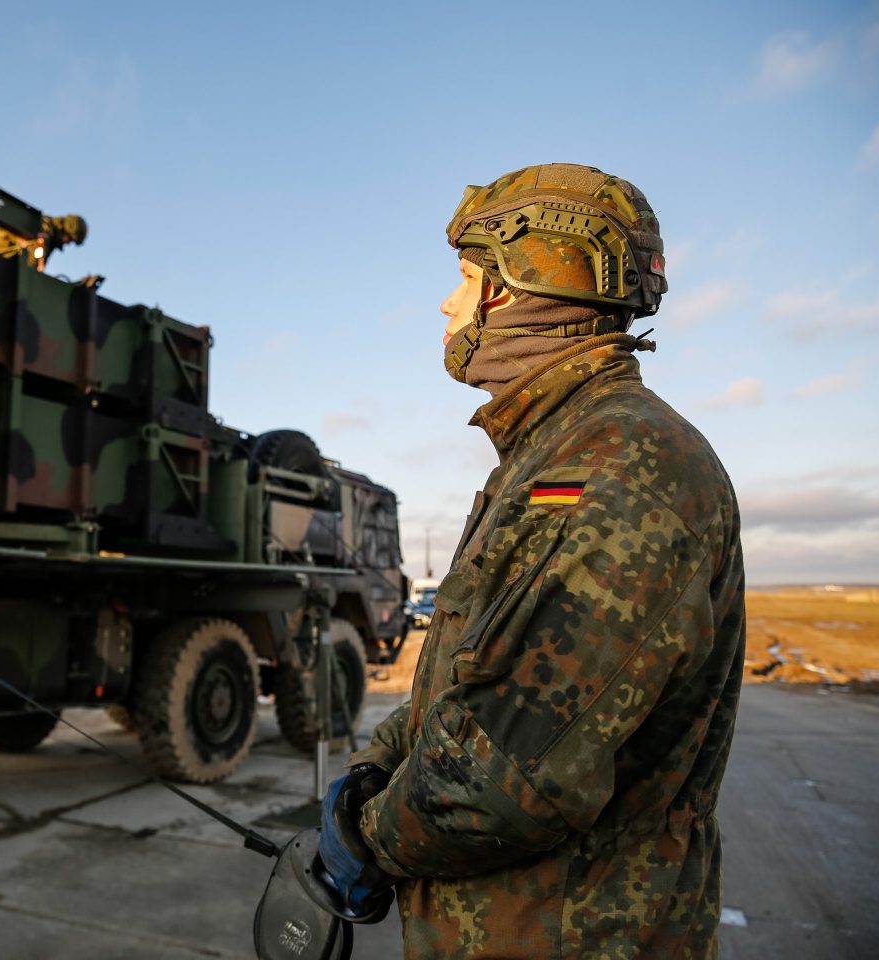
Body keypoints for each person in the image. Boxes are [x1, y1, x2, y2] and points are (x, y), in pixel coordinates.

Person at [317, 163, 746, 959]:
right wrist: (375, 769)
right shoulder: (554, 451)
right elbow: (470, 679)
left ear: (518, 284)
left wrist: (371, 839)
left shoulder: (621, 464)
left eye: (464, 278)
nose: (447, 303)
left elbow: (503, 782)